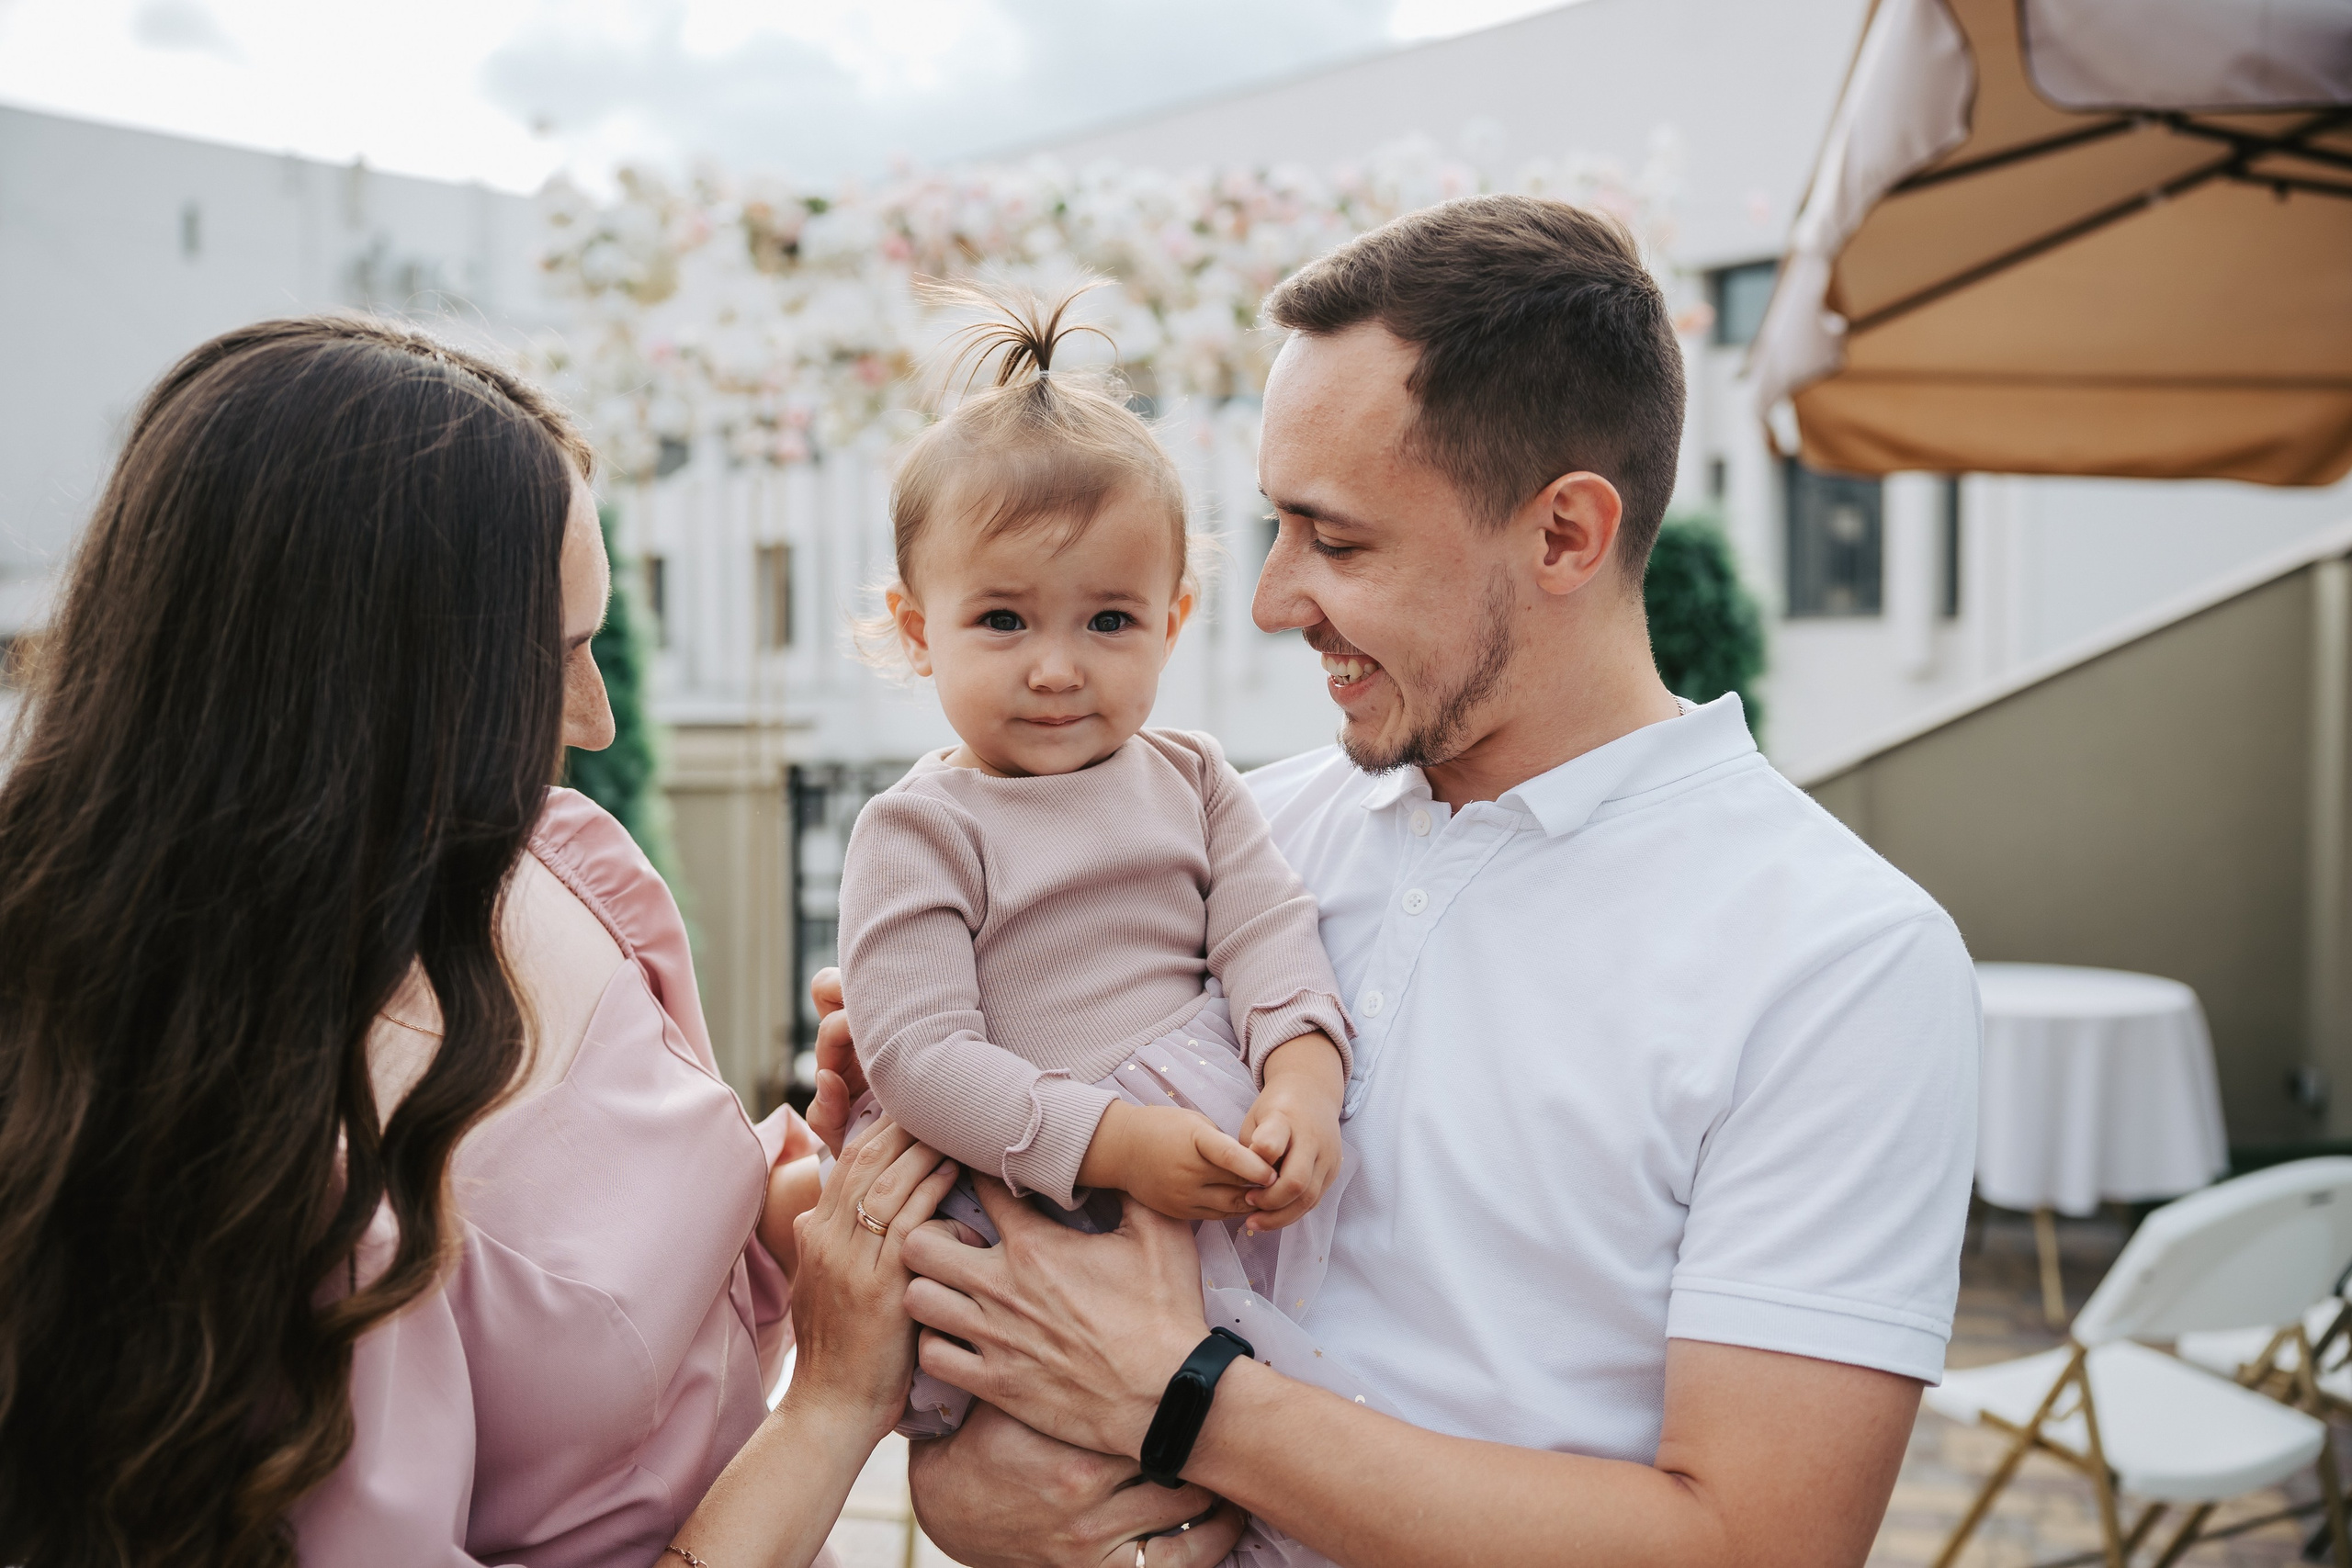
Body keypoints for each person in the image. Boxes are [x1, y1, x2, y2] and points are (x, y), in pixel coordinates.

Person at [807, 195, 1980, 1568]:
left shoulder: (1840, 961)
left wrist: (1185, 1404)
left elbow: (1759, 1546)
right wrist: (968, 1487)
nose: (1269, 601)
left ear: (1563, 538)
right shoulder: (1226, 832)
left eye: (1338, 540)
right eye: (1274, 531)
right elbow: (962, 1299)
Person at [0, 316, 984, 1568]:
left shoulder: (568, 871)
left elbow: (658, 1312)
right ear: (375, 682)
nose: (596, 716)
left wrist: (810, 1202)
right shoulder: (294, 1181)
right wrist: (833, 1407)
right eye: (558, 655)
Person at [831, 283, 1370, 1496]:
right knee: (1052, 1465)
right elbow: (918, 1055)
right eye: (1005, 620)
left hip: (1215, 1173)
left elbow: (1272, 940)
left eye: (1110, 619)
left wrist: (1302, 1080)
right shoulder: (921, 827)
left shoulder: (1192, 778)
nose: (1057, 668)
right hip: (1044, 1176)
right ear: (920, 631)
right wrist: (1114, 1144)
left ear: (1174, 622)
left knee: (1248, 1433)